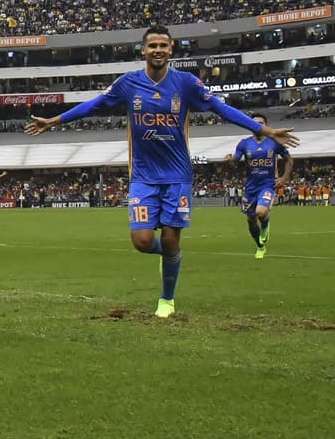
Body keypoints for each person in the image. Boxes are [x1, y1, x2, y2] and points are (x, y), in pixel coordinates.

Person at [26, 25, 299, 317]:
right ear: (143, 50)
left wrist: (266, 130)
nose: (157, 50)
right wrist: (53, 121)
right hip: (143, 176)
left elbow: (222, 109)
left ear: (171, 50)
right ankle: (170, 257)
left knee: (171, 237)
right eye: (152, 45)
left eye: (163, 46)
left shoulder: (186, 83)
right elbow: (94, 105)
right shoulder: (128, 84)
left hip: (177, 176)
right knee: (142, 242)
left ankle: (166, 300)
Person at [229, 113, 293, 259]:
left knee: (261, 212)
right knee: (251, 220)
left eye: (260, 123)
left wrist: (284, 177)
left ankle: (265, 224)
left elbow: (289, 160)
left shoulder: (274, 142)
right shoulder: (244, 143)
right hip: (251, 187)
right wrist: (230, 160)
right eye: (254, 123)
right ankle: (260, 246)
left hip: (267, 184)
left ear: (266, 126)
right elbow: (235, 163)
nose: (257, 125)